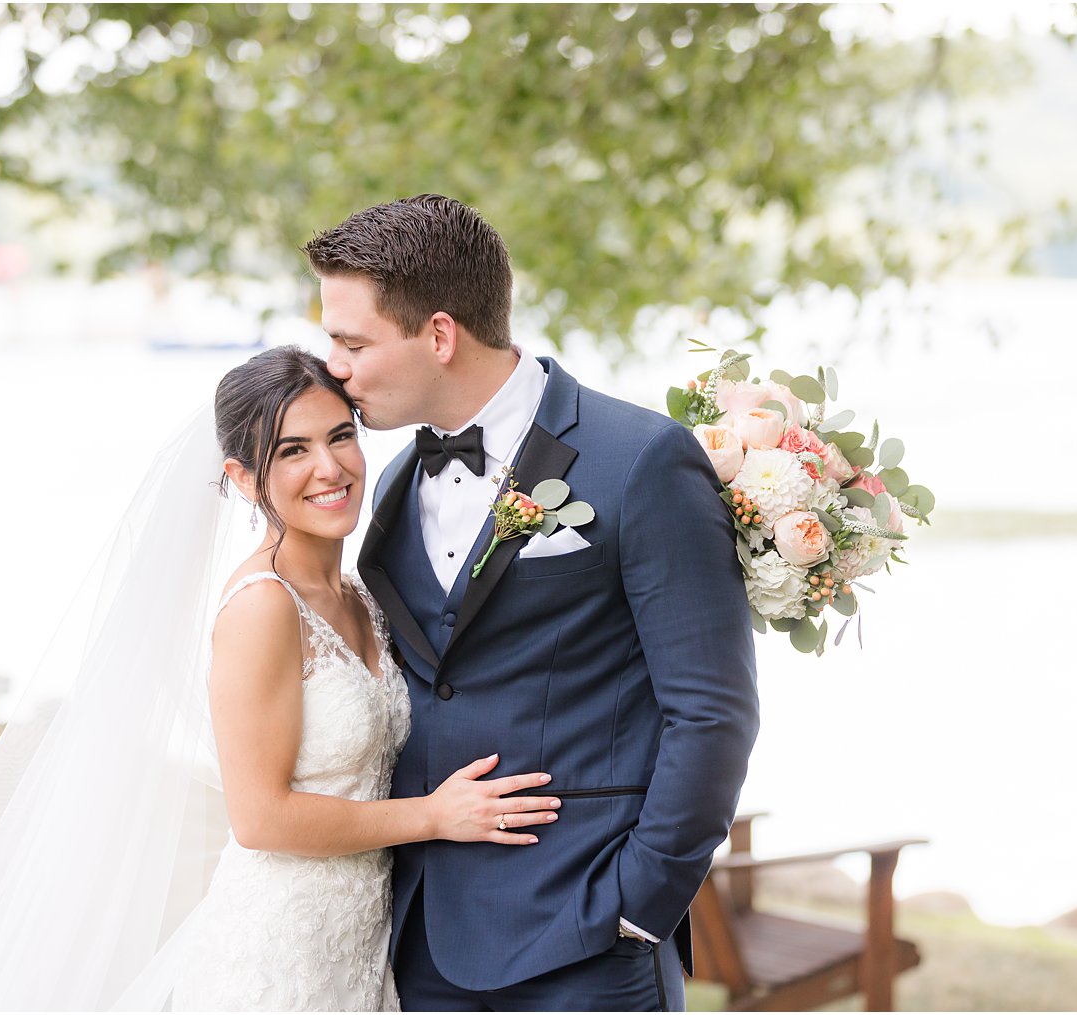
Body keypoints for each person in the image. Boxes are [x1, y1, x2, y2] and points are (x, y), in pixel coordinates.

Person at [0, 346, 559, 1012]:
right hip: (276, 959)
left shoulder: (361, 594)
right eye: (292, 450)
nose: (329, 466)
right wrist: (435, 815)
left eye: (339, 436)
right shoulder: (263, 605)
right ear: (242, 477)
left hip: (358, 946)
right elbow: (261, 817)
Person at [306, 194, 761, 1012]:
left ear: (439, 335)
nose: (333, 365)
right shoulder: (396, 487)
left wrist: (635, 906)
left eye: (351, 342)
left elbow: (714, 712)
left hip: (582, 942)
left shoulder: (640, 460)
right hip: (418, 938)